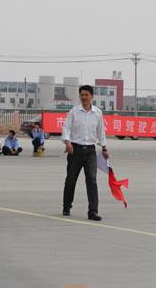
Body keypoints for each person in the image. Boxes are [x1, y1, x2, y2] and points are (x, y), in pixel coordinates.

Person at [62, 85, 109, 221]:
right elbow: (66, 129)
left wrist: (104, 148)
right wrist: (67, 142)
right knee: (71, 180)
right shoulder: (74, 112)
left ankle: (93, 211)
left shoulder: (98, 113)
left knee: (92, 181)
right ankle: (66, 206)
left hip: (90, 152)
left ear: (92, 96)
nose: (84, 97)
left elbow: (101, 132)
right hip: (75, 150)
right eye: (82, 95)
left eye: (86, 95)